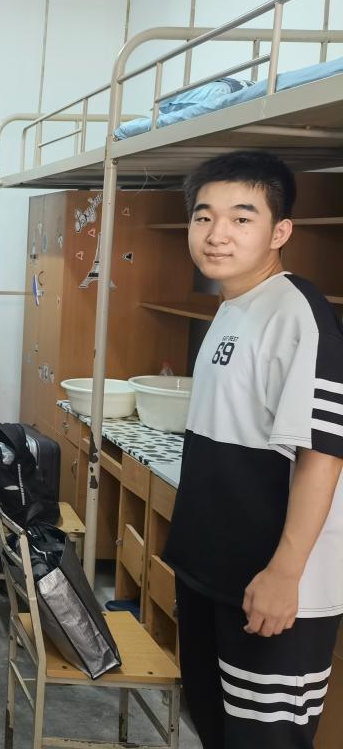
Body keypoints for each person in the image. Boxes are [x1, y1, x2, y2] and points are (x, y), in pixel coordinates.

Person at [163, 151, 343, 749]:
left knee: (264, 740)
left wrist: (285, 574)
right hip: (215, 572)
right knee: (216, 729)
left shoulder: (299, 315)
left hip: (272, 587)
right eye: (203, 217)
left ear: (280, 231)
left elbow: (323, 453)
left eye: (242, 218)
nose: (217, 234)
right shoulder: (234, 306)